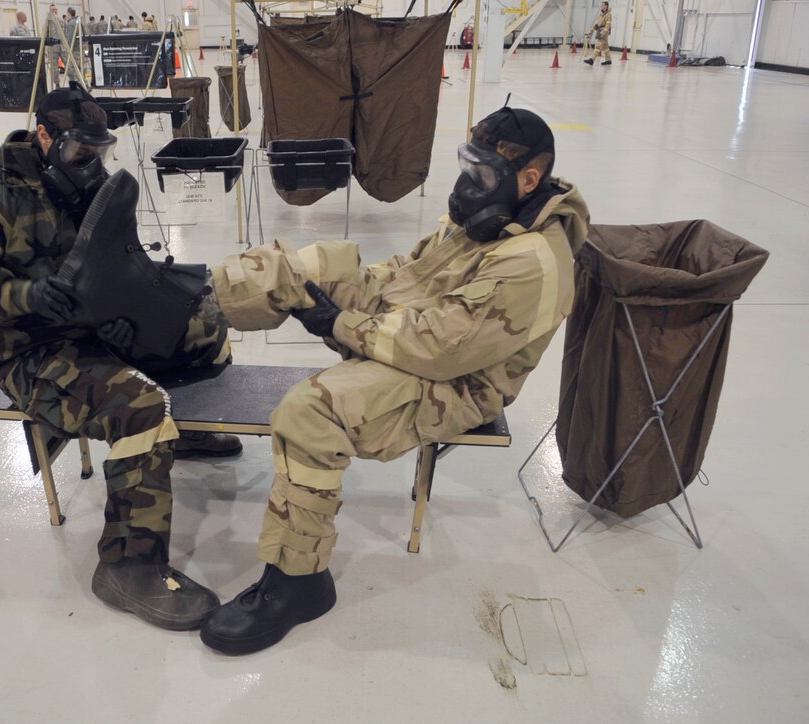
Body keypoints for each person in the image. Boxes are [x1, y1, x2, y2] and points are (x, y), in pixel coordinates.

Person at [196, 107, 589, 655]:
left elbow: (441, 349)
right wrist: (345, 287)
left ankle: (299, 583)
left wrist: (340, 322)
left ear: (528, 179)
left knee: (309, 412)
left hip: (458, 381)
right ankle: (181, 300)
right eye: (467, 166)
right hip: (415, 329)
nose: (466, 184)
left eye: (481, 174)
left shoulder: (533, 262)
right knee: (296, 265)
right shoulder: (493, 216)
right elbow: (411, 273)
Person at [0, 85, 242, 631]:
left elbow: (118, 263)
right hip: (30, 353)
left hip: (91, 331)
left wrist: (128, 311)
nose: (91, 163)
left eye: (99, 152)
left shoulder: (89, 192)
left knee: (208, 331)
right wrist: (26, 296)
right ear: (44, 136)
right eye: (79, 152)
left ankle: (186, 437)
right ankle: (127, 567)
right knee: (139, 409)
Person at [585, 2, 613, 66]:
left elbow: (608, 25)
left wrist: (603, 33)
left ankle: (592, 60)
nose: (601, 6)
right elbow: (597, 24)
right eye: (601, 5)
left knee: (598, 46)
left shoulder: (608, 15)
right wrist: (591, 31)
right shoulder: (601, 15)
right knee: (605, 47)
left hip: (603, 32)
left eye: (603, 5)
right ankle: (608, 60)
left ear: (606, 6)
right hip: (599, 30)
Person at [45, 4, 65, 88]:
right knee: (54, 67)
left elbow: (65, 32)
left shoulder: (61, 20)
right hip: (53, 48)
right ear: (50, 11)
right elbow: (45, 35)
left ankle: (74, 81)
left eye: (56, 9)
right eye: (53, 10)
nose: (55, 11)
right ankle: (57, 84)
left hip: (62, 46)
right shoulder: (48, 22)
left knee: (68, 63)